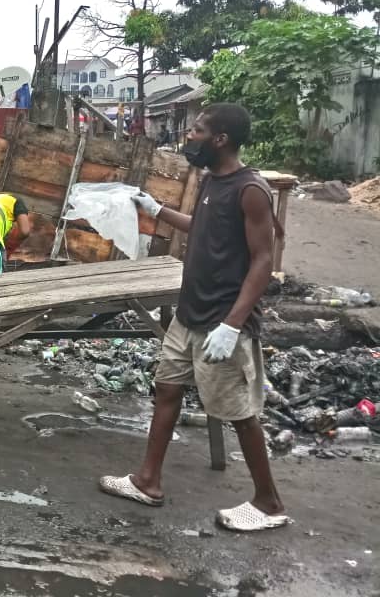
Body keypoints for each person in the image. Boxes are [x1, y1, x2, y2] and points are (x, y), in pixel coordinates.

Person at [99, 104, 288, 532]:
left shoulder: (250, 190)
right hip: (189, 315)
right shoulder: (209, 181)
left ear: (220, 139)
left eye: (198, 130)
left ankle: (269, 502)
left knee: (238, 413)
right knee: (166, 389)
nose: (189, 135)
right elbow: (201, 227)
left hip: (222, 321)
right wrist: (157, 209)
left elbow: (263, 261)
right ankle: (147, 481)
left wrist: (232, 324)